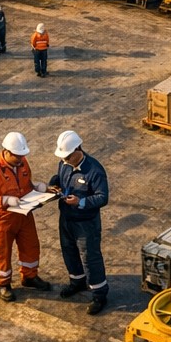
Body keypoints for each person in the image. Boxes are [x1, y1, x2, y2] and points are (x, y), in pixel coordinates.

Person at [0, 132, 52, 302]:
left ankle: (29, 277)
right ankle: (3, 283)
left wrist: (38, 190)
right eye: (18, 156)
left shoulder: (23, 163)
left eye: (22, 156)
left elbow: (26, 186)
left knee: (31, 246)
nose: (21, 159)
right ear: (7, 152)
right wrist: (5, 200)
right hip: (2, 220)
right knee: (2, 252)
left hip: (24, 215)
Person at [48, 130, 110, 314]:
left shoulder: (94, 170)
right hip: (66, 218)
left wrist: (81, 202)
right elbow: (59, 176)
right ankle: (77, 281)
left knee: (90, 257)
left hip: (86, 223)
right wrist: (54, 184)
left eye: (67, 157)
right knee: (69, 251)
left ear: (78, 150)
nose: (64, 160)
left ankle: (99, 294)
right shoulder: (65, 163)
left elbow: (102, 197)